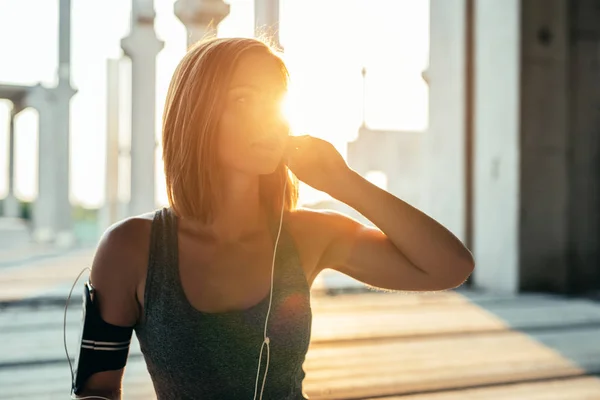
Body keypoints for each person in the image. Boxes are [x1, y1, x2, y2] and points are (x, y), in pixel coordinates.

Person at [73, 37, 474, 400]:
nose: (268, 117)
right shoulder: (131, 248)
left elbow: (449, 267)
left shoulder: (306, 235)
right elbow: (98, 390)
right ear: (197, 115)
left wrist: (344, 182)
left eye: (276, 99)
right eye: (245, 100)